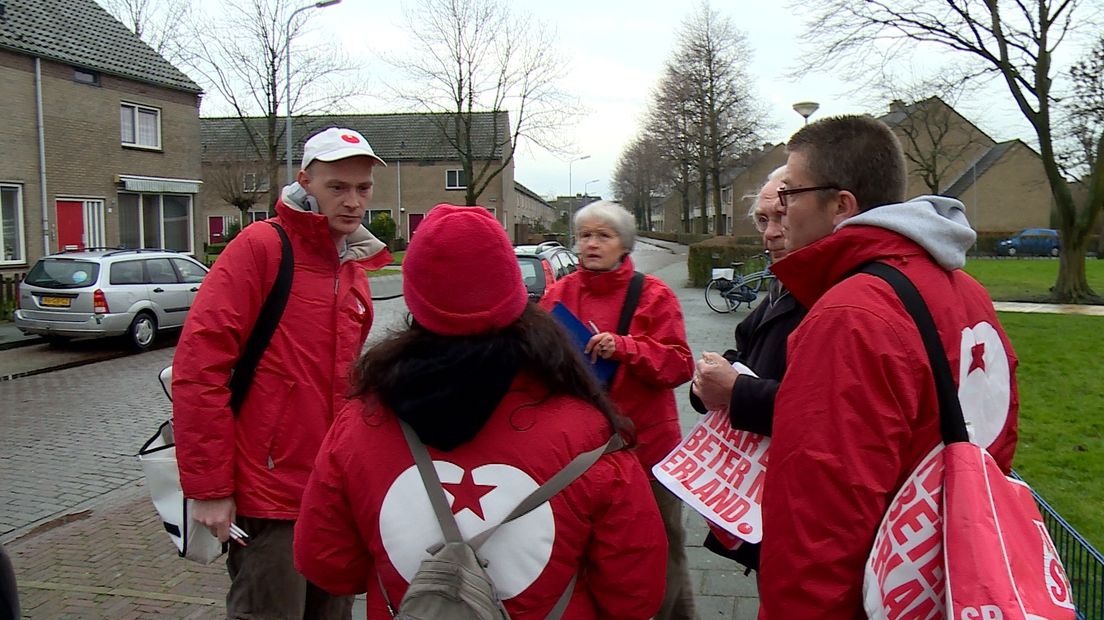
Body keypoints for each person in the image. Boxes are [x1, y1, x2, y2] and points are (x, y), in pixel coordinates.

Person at [293, 204, 667, 618]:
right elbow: (635, 595)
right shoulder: (591, 435)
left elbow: (329, 567)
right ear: (515, 299)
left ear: (414, 301)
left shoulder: (360, 424)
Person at [757, 115, 1019, 618]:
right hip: (953, 575)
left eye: (789, 194)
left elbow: (818, 525)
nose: (780, 211)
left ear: (841, 206)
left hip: (874, 595)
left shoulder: (849, 315)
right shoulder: (969, 293)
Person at [173, 127, 392, 618]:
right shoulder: (262, 248)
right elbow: (198, 367)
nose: (353, 201)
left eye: (362, 188)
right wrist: (209, 489)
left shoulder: (350, 264)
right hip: (270, 497)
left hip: (334, 494)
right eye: (337, 187)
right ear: (306, 182)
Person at [540, 200, 696, 620]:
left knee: (663, 546)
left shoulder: (653, 294)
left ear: (624, 244)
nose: (591, 244)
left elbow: (680, 365)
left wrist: (625, 348)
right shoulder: (559, 294)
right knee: (593, 551)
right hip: (584, 454)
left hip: (647, 451)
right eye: (585, 235)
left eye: (602, 236)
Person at [689, 166, 807, 571]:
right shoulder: (783, 283)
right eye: (762, 219)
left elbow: (828, 410)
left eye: (782, 217)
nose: (769, 233)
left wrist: (735, 392)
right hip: (762, 499)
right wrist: (707, 381)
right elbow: (746, 348)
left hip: (799, 508)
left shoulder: (832, 298)